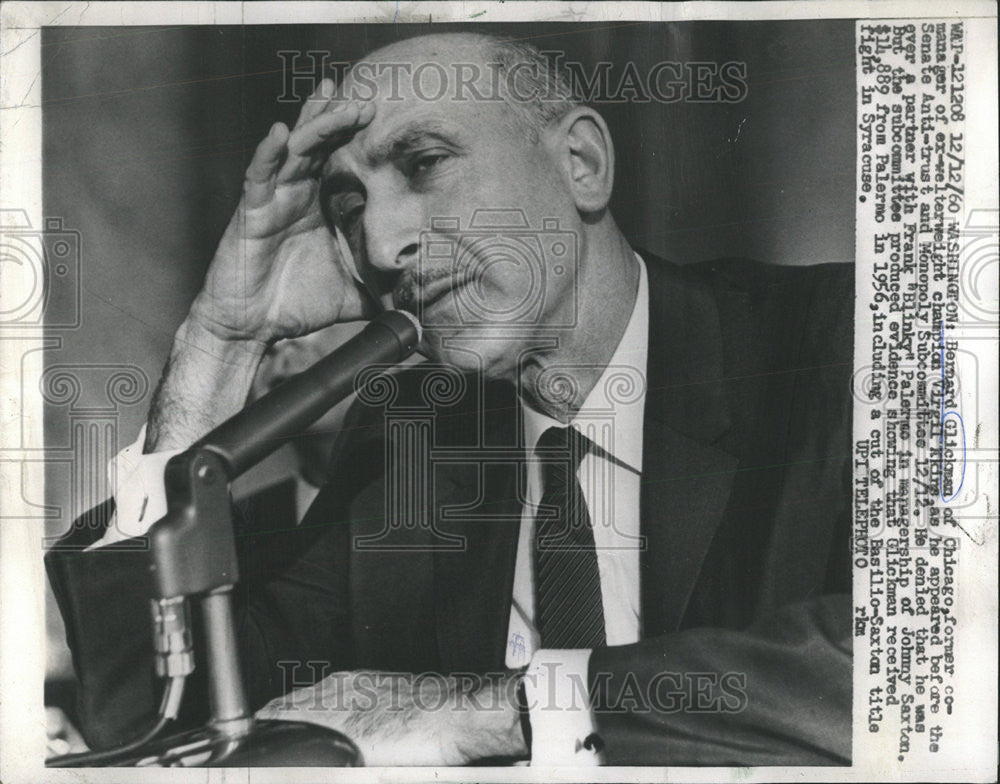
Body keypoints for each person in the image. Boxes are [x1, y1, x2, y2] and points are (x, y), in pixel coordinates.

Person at [46, 32, 854, 767]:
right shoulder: (407, 440)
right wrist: (221, 337)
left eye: (425, 164)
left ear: (581, 163)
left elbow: (923, 667)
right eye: (348, 208)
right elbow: (163, 725)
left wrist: (500, 710)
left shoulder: (842, 341)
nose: (383, 245)